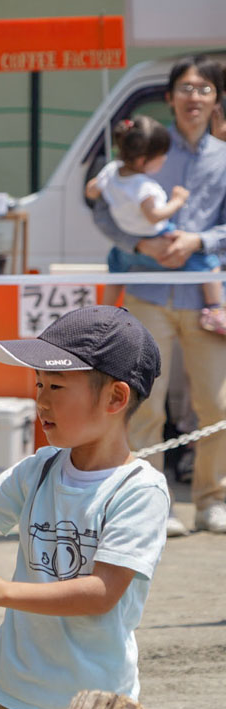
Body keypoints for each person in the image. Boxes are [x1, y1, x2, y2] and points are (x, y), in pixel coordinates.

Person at [0, 305, 168, 709]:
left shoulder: (139, 490)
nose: (41, 400)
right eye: (39, 383)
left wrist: (1, 591)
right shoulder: (38, 469)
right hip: (6, 693)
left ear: (116, 397)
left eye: (57, 385)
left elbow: (100, 593)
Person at [91, 56, 226, 537]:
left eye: (204, 89)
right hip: (145, 289)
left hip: (206, 300)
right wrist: (140, 243)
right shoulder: (146, 145)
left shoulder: (224, 157)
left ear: (215, 99)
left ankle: (212, 500)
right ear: (169, 97)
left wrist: (200, 242)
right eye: (186, 88)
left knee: (217, 404)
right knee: (145, 405)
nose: (195, 97)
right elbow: (102, 210)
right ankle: (154, 505)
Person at [86, 115, 226, 332]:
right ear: (143, 161)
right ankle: (215, 310)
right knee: (208, 263)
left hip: (128, 244)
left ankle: (105, 313)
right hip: (160, 237)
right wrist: (177, 201)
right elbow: (155, 215)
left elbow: (92, 190)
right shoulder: (145, 187)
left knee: (115, 270)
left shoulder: (111, 170)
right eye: (161, 156)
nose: (164, 160)